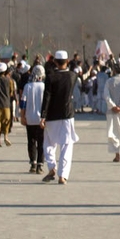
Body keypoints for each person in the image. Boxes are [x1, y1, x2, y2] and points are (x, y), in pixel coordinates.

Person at [40, 50, 79, 184]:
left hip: (51, 115)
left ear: (55, 62)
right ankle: (62, 175)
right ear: (67, 61)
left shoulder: (50, 77)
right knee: (66, 145)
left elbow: (47, 97)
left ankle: (52, 167)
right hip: (67, 114)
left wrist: (43, 116)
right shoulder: (73, 76)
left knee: (49, 144)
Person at [21, 65, 46, 174]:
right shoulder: (44, 87)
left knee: (31, 141)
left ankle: (33, 163)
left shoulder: (28, 86)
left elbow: (23, 103)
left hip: (30, 118)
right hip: (41, 119)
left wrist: (22, 116)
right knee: (41, 142)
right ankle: (40, 165)